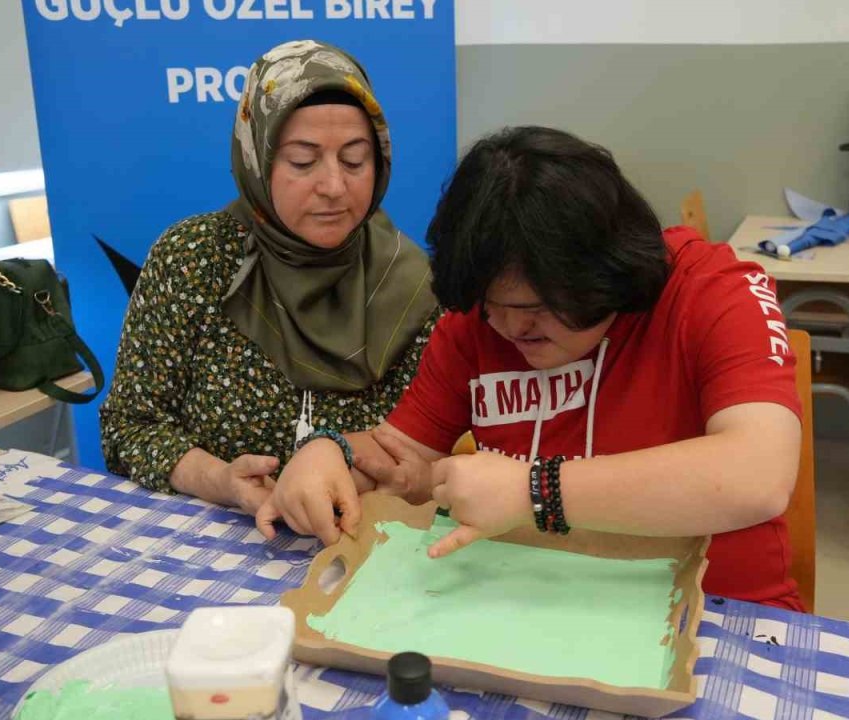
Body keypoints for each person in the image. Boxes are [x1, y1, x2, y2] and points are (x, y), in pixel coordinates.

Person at [257, 126, 806, 610]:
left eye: (532, 309)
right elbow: (405, 459)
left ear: (602, 274)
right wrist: (333, 454)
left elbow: (757, 475)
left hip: (717, 609)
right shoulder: (478, 322)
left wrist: (533, 491)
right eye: (490, 307)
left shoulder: (713, 291)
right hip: (538, 604)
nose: (506, 330)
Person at [100, 40, 438, 518]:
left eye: (355, 160)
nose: (334, 186)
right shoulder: (195, 258)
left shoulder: (408, 284)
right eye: (303, 161)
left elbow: (427, 444)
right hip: (216, 546)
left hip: (365, 547)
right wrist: (222, 481)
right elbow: (130, 427)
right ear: (258, 159)